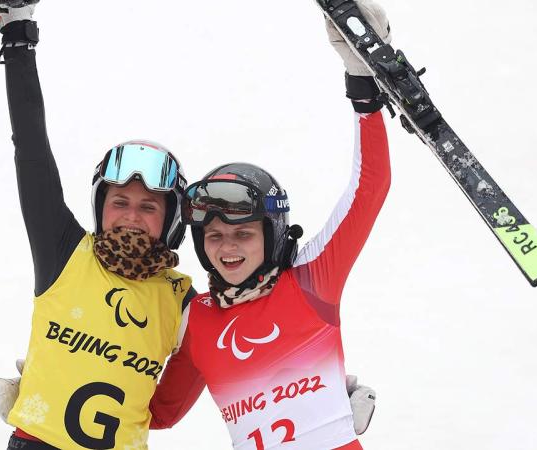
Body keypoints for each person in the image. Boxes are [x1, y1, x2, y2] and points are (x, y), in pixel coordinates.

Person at [146, 1, 392, 449]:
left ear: (272, 234)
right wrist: (55, 384)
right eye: (214, 236)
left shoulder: (310, 280)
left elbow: (370, 188)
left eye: (244, 233)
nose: (227, 247)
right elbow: (158, 414)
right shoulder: (197, 319)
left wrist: (363, 84)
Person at [0, 5, 199, 450]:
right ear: (101, 207)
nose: (130, 215)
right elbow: (30, 149)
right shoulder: (64, 251)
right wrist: (17, 38)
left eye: (148, 207)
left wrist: (325, 401)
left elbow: (168, 410)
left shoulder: (184, 303)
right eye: (119, 201)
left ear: (172, 220)